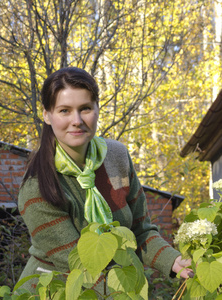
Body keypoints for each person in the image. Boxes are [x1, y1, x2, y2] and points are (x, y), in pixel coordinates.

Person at [17, 67, 192, 293]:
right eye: (64, 110)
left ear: (97, 108)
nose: (77, 120)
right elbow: (80, 265)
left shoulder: (117, 157)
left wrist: (175, 262)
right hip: (56, 289)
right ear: (47, 115)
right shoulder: (37, 186)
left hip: (113, 285)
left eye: (85, 108)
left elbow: (140, 232)